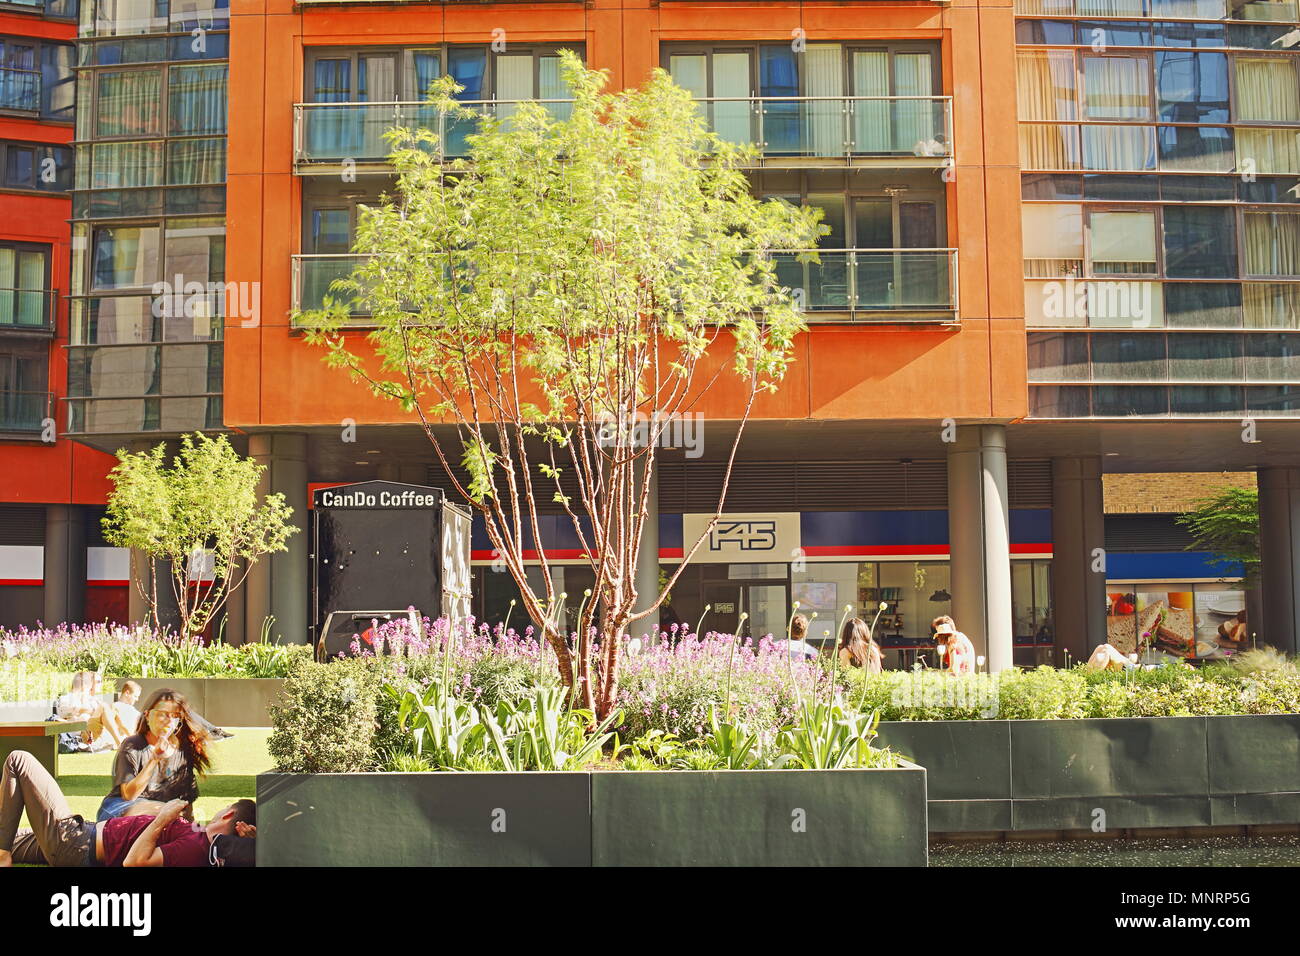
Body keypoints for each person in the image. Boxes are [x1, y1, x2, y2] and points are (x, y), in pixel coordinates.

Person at [0, 750, 254, 867]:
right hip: (82, 834)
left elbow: (135, 862)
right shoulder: (198, 834)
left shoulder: (196, 847)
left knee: (19, 760)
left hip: (74, 844)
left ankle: (4, 855)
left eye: (225, 808)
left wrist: (163, 818)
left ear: (229, 813)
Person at [96, 688, 211, 822]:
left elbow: (186, 802)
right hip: (121, 810)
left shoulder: (183, 751)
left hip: (162, 815)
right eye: (162, 714)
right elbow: (129, 795)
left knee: (173, 814)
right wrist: (154, 759)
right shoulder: (132, 745)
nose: (169, 720)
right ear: (147, 715)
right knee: (162, 811)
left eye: (175, 716)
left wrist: (192, 833)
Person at [51, 672, 124, 754]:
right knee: (103, 707)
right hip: (80, 734)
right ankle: (120, 743)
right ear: (85, 686)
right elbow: (65, 713)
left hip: (90, 731)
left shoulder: (89, 700)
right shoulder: (66, 698)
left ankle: (124, 739)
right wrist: (89, 710)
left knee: (110, 708)